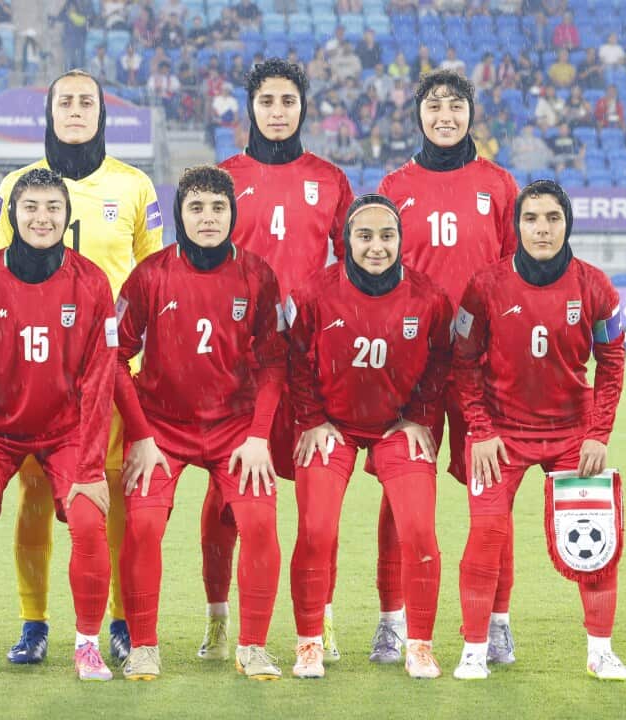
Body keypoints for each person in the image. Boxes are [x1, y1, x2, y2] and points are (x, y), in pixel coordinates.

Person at [0, 70, 163, 666]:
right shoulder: (15, 186)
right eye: (67, 101)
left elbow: (153, 281)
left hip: (110, 376)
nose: (77, 110)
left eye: (88, 101)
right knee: (34, 498)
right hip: (38, 374)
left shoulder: (135, 186)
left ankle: (116, 618)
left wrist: (140, 363)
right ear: (50, 111)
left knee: (107, 497)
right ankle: (33, 622)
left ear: (103, 111)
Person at [0, 168, 116, 682]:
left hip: (66, 433)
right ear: (14, 215)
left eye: (53, 208)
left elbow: (98, 382)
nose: (42, 217)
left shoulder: (91, 282)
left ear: (67, 217)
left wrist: (88, 466)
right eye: (32, 207)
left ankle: (87, 645)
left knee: (88, 518)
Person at [114, 166, 286, 682]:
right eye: (196, 207)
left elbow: (276, 362)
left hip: (236, 427)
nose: (208, 218)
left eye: (217, 207)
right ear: (178, 214)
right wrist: (141, 435)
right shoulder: (149, 275)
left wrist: (259, 436)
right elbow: (115, 358)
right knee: (142, 525)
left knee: (259, 523)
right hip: (162, 427)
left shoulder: (258, 275)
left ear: (233, 213)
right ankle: (144, 646)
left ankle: (250, 645)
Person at [452, 180, 626, 681]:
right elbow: (463, 365)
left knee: (594, 538)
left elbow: (611, 362)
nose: (542, 228)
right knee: (486, 532)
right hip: (499, 436)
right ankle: (473, 650)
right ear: (517, 225)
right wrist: (480, 429)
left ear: (567, 223)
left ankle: (600, 651)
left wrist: (598, 432)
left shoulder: (595, 286)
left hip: (573, 434)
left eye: (553, 218)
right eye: (532, 219)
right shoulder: (484, 286)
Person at [375, 69, 520, 666]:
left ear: (471, 115)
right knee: (400, 492)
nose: (445, 115)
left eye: (455, 106)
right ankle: (392, 621)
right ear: (419, 115)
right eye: (434, 105)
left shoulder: (499, 183)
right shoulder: (394, 184)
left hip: (484, 364)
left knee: (493, 492)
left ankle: (499, 621)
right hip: (412, 364)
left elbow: (517, 273)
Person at [212, 58, 354, 663]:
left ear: (303, 107)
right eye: (266, 100)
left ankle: (319, 614)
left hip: (313, 362)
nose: (276, 110)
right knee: (228, 496)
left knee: (317, 495)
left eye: (287, 101)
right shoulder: (224, 175)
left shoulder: (330, 178)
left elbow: (354, 268)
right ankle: (221, 620)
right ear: (250, 106)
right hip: (240, 363)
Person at [287, 194, 452, 681]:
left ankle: (418, 644)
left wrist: (420, 414)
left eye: (387, 236)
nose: (376, 246)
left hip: (395, 425)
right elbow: (294, 359)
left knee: (419, 529)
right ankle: (309, 643)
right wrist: (313, 417)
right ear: (347, 241)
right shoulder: (315, 293)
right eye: (365, 236)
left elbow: (442, 359)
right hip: (330, 426)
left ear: (401, 241)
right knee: (317, 530)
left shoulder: (428, 298)